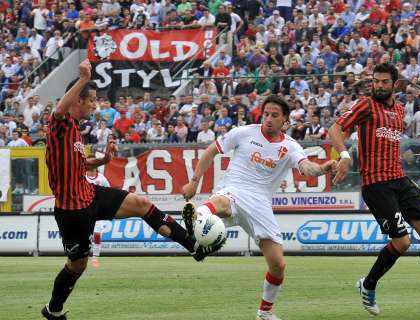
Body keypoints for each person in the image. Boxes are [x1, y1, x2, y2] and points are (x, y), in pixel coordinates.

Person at [42, 60, 199, 320]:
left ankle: (193, 245)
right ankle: (53, 310)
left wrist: (101, 162)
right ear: (77, 100)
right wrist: (82, 78)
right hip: (72, 210)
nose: (95, 104)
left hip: (89, 194)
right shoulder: (61, 124)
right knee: (77, 264)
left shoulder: (77, 133)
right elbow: (59, 110)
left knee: (140, 203)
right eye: (91, 99)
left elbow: (79, 165)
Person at [181, 95, 337, 320]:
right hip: (234, 188)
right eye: (266, 114)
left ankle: (264, 312)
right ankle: (196, 217)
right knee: (222, 203)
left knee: (278, 264)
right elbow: (210, 152)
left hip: (260, 204)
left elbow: (306, 167)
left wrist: (322, 169)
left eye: (275, 116)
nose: (269, 119)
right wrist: (194, 182)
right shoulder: (243, 132)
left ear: (285, 120)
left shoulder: (290, 146)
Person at [328, 63, 420, 316]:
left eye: (383, 82)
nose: (378, 85)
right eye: (375, 81)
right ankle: (368, 285)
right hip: (376, 183)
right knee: (402, 241)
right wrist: (345, 155)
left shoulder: (400, 111)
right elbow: (335, 128)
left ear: (394, 84)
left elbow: (391, 144)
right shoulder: (365, 105)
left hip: (400, 179)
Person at [84, 157, 111, 268]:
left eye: (93, 161)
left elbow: (109, 192)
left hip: (98, 211)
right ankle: (82, 256)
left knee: (97, 234)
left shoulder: (102, 179)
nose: (91, 163)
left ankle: (95, 257)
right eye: (89, 161)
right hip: (84, 209)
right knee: (83, 236)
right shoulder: (81, 177)